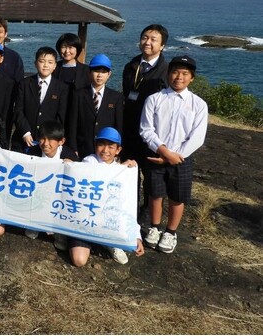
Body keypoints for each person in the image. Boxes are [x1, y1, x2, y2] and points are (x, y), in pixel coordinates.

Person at [140, 55, 208, 254]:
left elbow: (197, 137)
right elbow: (146, 129)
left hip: (182, 159)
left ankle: (171, 231)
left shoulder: (198, 104)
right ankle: (154, 227)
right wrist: (163, 152)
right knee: (155, 193)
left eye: (185, 74)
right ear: (169, 74)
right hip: (156, 154)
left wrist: (174, 156)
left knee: (178, 197)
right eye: (175, 72)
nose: (179, 77)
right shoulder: (155, 99)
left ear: (192, 78)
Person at [67, 127, 144, 267]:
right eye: (101, 145)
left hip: (106, 223)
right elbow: (100, 174)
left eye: (111, 146)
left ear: (118, 150)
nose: (105, 150)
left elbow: (129, 205)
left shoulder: (124, 172)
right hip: (84, 222)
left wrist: (136, 236)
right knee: (79, 260)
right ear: (95, 145)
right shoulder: (89, 161)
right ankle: (68, 235)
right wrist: (121, 168)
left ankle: (110, 243)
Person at [121, 24, 169, 212]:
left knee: (152, 177)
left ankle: (148, 213)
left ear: (162, 46)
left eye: (153, 39)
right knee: (129, 173)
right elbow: (127, 94)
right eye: (144, 37)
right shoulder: (131, 66)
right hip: (130, 130)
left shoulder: (166, 70)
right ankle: (128, 209)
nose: (147, 42)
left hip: (152, 133)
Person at [24, 120, 78, 242]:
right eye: (42, 138)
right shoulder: (33, 151)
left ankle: (59, 231)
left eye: (51, 140)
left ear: (61, 141)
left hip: (59, 195)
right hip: (39, 191)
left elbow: (79, 178)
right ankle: (34, 224)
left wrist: (73, 166)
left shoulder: (69, 154)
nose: (45, 143)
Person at [67, 54, 124, 160]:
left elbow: (118, 125)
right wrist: (72, 147)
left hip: (106, 151)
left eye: (103, 72)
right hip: (83, 147)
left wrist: (117, 150)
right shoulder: (78, 94)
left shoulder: (116, 97)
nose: (99, 75)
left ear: (109, 74)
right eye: (96, 71)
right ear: (89, 72)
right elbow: (72, 123)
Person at [11, 46, 68, 152]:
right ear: (36, 63)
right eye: (42, 61)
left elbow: (60, 117)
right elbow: (18, 110)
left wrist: (50, 137)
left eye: (50, 62)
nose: (46, 65)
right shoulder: (24, 83)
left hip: (47, 142)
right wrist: (25, 132)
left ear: (55, 65)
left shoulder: (62, 88)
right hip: (22, 139)